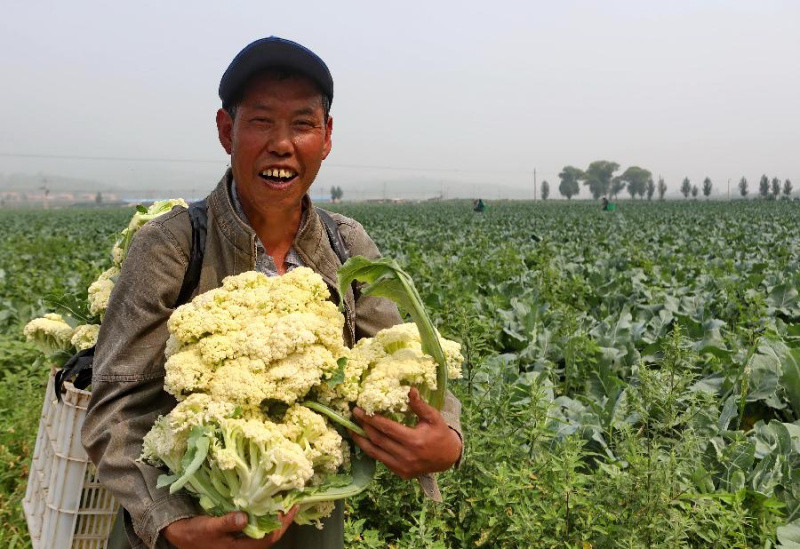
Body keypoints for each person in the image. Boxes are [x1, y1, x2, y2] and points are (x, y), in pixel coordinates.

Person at [82, 37, 463, 549]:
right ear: (226, 131)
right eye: (261, 121)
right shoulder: (170, 245)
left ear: (326, 137)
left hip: (306, 520)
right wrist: (168, 522)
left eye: (302, 124)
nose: (282, 144)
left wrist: (448, 438)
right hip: (184, 520)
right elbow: (116, 405)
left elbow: (400, 353)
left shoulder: (346, 244)